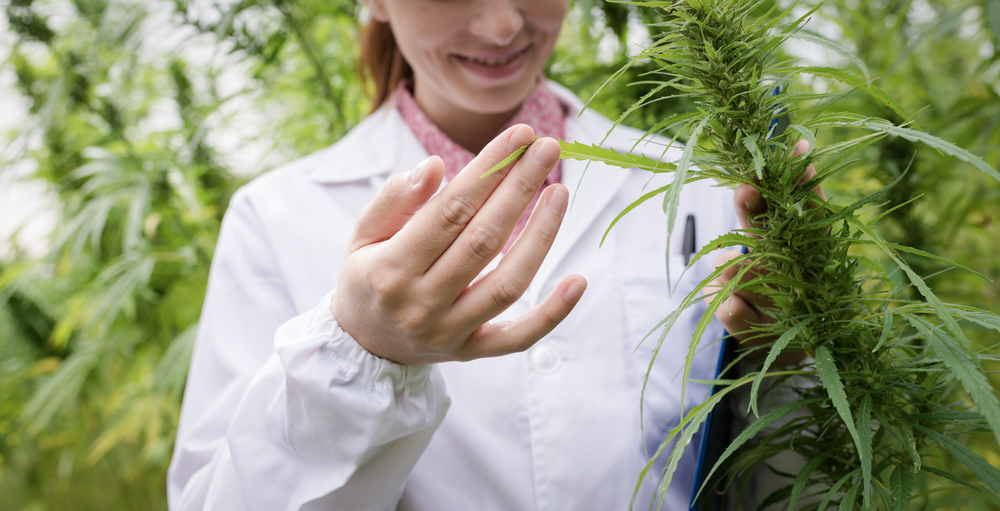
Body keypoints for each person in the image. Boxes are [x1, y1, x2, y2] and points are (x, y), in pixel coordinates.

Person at [166, 0, 812, 509]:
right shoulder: (277, 218)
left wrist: (790, 356)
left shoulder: (692, 186)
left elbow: (786, 481)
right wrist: (359, 354)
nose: (503, 25)